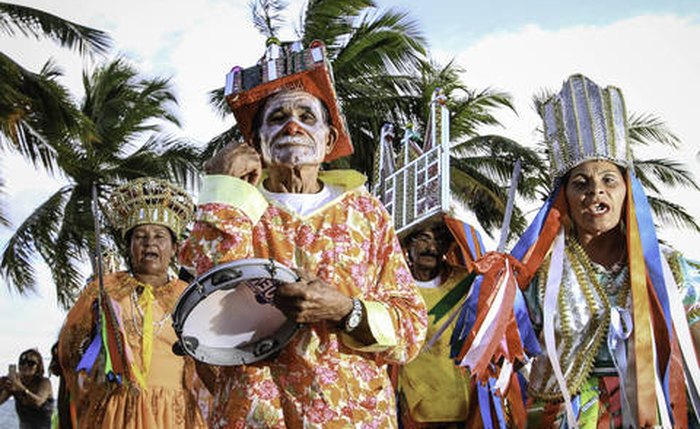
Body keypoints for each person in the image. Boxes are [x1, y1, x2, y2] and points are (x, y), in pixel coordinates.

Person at [180, 39, 427, 428]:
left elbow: (411, 329)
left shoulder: (367, 214)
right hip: (256, 415)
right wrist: (222, 192)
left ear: (328, 141)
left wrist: (346, 310)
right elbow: (203, 309)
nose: (292, 126)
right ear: (256, 143)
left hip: (351, 415)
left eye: (306, 117)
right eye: (276, 118)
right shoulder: (234, 206)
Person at [452, 74, 700, 428]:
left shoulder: (671, 271)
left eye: (608, 180)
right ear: (564, 199)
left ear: (627, 192)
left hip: (651, 414)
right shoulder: (537, 277)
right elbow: (501, 362)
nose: (595, 192)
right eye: (580, 183)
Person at [57, 178, 205, 429]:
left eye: (159, 236)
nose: (150, 243)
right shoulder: (105, 289)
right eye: (140, 236)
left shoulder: (189, 296)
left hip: (174, 412)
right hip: (116, 409)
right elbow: (71, 348)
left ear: (174, 249)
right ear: (129, 246)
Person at [395, 221, 474, 428]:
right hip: (415, 409)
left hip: (462, 404)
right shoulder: (394, 285)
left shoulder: (465, 281)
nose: (431, 248)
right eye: (423, 239)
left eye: (439, 241)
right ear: (408, 244)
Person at [0, 348, 54, 429]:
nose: (26, 366)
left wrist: (20, 388)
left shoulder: (44, 383)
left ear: (38, 367)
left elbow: (38, 402)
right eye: (22, 363)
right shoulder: (15, 384)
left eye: (31, 363)